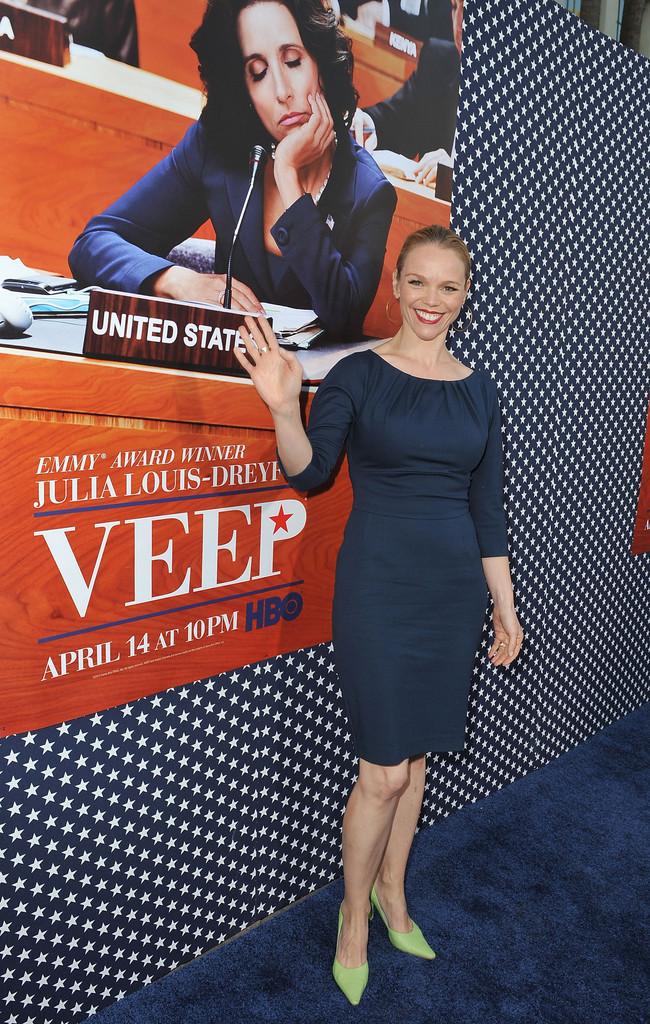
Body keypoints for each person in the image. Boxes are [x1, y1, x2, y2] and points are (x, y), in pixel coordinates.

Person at [232, 223, 524, 1004]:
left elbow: (486, 509)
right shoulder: (359, 374)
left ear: (466, 296)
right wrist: (284, 407)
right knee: (383, 770)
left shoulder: (477, 387)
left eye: (448, 286)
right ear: (394, 285)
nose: (432, 299)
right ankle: (353, 918)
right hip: (378, 588)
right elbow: (312, 473)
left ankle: (396, 893)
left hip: (451, 593)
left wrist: (504, 609)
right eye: (418, 282)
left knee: (418, 757)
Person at [68, 0, 397, 339]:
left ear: (322, 64)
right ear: (244, 89)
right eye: (259, 73)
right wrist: (176, 280)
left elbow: (342, 313)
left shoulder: (368, 190)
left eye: (293, 61)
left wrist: (288, 174)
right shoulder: (217, 148)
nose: (282, 92)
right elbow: (93, 243)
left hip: (306, 387)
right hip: (221, 373)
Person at [351, 0, 463, 187]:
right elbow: (394, 123)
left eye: (468, 10)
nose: (458, 25)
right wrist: (361, 123)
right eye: (454, 8)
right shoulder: (440, 61)